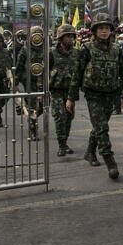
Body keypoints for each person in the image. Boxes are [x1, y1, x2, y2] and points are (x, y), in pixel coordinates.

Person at [68, 13, 123, 179]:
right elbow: (77, 74)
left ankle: (90, 152)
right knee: (102, 128)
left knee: (99, 126)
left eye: (107, 28)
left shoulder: (116, 49)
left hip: (111, 94)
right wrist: (71, 98)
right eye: (101, 28)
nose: (104, 31)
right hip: (93, 95)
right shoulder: (86, 49)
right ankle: (110, 161)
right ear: (94, 30)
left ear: (111, 30)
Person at [49, 24, 78, 156]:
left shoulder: (77, 53)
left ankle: (64, 142)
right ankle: (61, 145)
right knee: (59, 117)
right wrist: (40, 90)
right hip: (55, 90)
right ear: (61, 38)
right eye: (68, 36)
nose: (71, 39)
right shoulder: (52, 53)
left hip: (70, 91)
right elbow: (43, 72)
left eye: (72, 36)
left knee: (68, 117)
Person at [15, 26, 46, 142]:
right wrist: (16, 83)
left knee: (44, 107)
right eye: (35, 34)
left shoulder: (45, 49)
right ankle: (33, 130)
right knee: (33, 105)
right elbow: (19, 67)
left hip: (43, 82)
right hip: (29, 81)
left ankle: (29, 114)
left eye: (39, 34)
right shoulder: (25, 49)